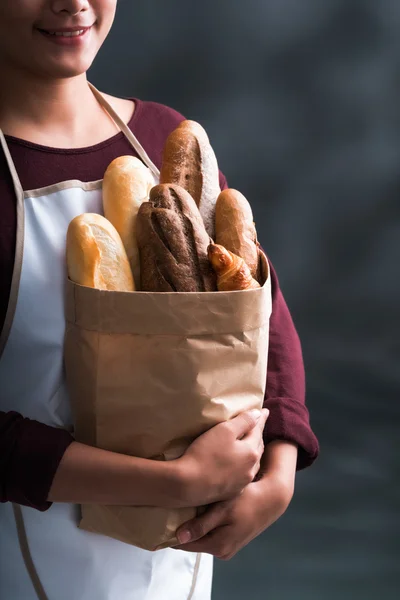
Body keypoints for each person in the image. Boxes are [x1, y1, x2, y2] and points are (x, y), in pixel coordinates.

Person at [0, 1, 319, 599]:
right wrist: (173, 482)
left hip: (182, 569)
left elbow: (260, 317)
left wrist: (277, 475)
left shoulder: (162, 139)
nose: (71, 3)